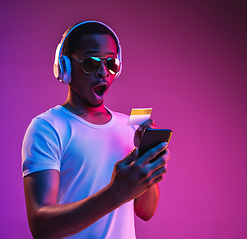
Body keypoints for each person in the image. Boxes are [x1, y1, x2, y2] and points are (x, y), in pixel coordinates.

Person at [22, 21, 171, 239]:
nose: (103, 72)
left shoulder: (130, 127)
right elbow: (42, 228)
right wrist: (116, 193)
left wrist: (146, 158)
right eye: (91, 63)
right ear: (66, 67)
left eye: (111, 63)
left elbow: (145, 211)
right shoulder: (47, 128)